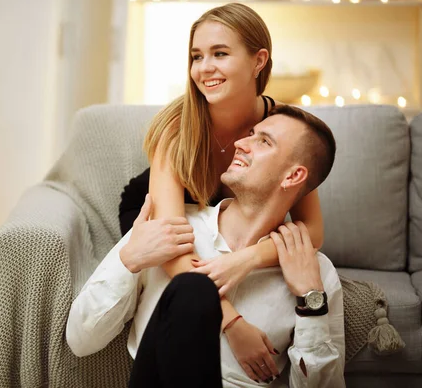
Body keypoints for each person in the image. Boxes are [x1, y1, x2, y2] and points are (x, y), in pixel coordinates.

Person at [67, 105, 345, 387]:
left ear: (293, 176)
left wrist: (311, 304)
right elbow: (80, 340)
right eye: (250, 134)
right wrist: (129, 260)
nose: (239, 144)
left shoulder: (314, 271)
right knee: (193, 290)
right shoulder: (165, 233)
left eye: (263, 141)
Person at [118, 3, 326, 374]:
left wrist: (244, 260)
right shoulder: (177, 128)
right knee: (177, 252)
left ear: (258, 60)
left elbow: (313, 230)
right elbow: (172, 244)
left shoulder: (282, 126)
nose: (204, 68)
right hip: (163, 213)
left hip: (228, 225)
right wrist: (231, 321)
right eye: (196, 56)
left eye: (220, 53)